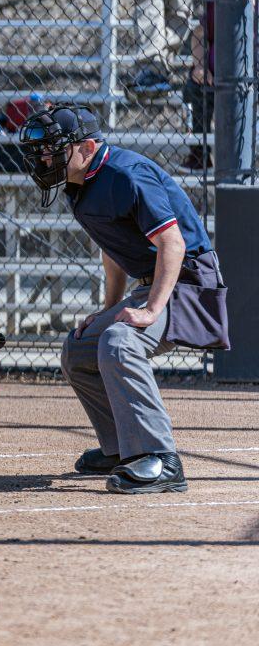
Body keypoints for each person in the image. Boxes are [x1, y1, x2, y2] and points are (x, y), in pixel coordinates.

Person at [18, 104, 229, 494]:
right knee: (80, 349)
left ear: (86, 147)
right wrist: (109, 305)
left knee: (120, 341)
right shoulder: (79, 183)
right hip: (155, 282)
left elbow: (173, 243)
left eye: (54, 149)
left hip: (188, 283)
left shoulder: (125, 174)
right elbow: (112, 247)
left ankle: (161, 459)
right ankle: (121, 449)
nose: (45, 158)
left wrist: (150, 310)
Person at [181, 0, 213, 171]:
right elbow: (199, 33)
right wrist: (201, 66)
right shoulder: (222, 1)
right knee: (192, 88)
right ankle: (199, 154)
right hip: (214, 75)